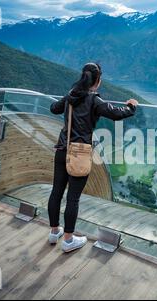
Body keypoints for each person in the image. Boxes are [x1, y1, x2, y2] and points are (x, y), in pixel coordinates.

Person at [47, 62, 138, 253]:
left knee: (56, 191)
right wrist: (131, 107)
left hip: (62, 149)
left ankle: (54, 232)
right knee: (73, 199)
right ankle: (68, 240)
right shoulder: (94, 100)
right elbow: (115, 113)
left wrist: (65, 101)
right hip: (79, 154)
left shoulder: (71, 95)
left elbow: (54, 108)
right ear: (97, 81)